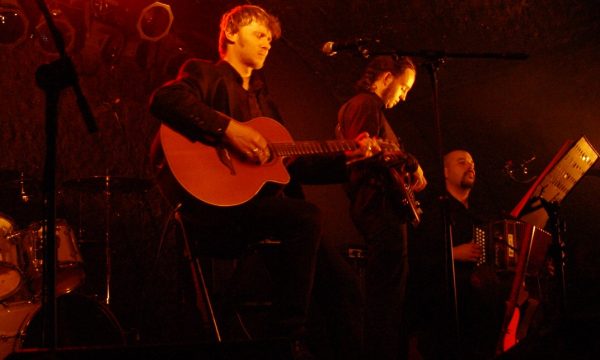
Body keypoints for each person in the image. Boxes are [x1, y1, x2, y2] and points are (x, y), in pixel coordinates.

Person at [148, 4, 376, 358]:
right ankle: (286, 339)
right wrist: (228, 130)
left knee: (345, 286)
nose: (267, 43)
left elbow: (291, 167)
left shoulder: (264, 102)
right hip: (214, 211)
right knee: (307, 217)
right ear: (231, 34)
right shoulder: (204, 73)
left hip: (260, 211)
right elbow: (165, 100)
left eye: (270, 39)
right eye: (259, 34)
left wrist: (348, 160)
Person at [336, 55, 428, 360]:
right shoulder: (366, 104)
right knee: (386, 299)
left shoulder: (364, 107)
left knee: (388, 294)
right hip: (379, 208)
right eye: (403, 87)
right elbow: (368, 152)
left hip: (379, 207)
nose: (405, 96)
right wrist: (410, 162)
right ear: (387, 78)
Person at [409, 149, 504, 360]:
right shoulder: (433, 211)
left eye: (472, 164)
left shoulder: (481, 214)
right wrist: (451, 253)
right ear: (445, 172)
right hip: (446, 311)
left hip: (481, 316)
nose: (470, 167)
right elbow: (416, 259)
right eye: (462, 162)